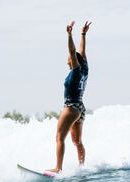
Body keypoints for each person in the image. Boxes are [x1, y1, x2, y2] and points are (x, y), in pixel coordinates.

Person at [47, 21, 92, 173]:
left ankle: (58, 168)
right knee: (77, 141)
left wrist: (69, 34)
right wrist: (83, 34)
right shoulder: (84, 69)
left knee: (59, 138)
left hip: (71, 107)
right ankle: (81, 168)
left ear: (74, 61)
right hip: (80, 108)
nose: (68, 59)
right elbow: (81, 51)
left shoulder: (76, 71)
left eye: (70, 58)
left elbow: (74, 51)